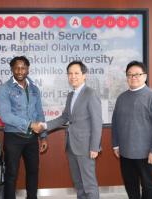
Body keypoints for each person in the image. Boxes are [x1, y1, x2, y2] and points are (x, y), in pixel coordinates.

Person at [36, 61, 102, 199]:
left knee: (89, 184)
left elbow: (97, 123)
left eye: (76, 73)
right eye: (70, 73)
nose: (73, 76)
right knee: (78, 183)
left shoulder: (90, 94)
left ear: (84, 75)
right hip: (71, 145)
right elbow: (65, 117)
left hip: (86, 147)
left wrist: (95, 147)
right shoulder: (71, 95)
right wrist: (45, 126)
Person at [111, 60, 152, 199]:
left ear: (145, 76)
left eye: (137, 74)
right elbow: (116, 123)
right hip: (125, 153)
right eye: (129, 75)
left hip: (146, 154)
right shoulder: (121, 98)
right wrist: (116, 144)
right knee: (130, 185)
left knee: (147, 186)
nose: (133, 77)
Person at [0, 56, 48, 199]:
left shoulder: (34, 89)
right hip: (13, 137)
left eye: (23, 67)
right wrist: (29, 124)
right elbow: (5, 116)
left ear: (28, 69)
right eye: (17, 68)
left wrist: (43, 136)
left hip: (32, 138)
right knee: (11, 173)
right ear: (12, 69)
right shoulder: (5, 89)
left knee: (33, 172)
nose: (20, 71)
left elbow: (39, 113)